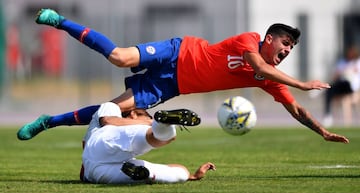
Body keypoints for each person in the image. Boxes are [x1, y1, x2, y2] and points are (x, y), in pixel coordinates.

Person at [17, 8, 349, 144]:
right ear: (269, 38)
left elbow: (297, 110)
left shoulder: (268, 78)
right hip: (177, 51)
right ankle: (60, 21)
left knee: (111, 112)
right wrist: (303, 83)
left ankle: (48, 122)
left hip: (172, 84)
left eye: (291, 47)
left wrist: (322, 131)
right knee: (119, 56)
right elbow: (261, 67)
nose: (287, 50)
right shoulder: (249, 40)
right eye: (285, 43)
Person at [80, 101, 215, 184]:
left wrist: (191, 176)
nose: (149, 121)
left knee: (177, 173)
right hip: (101, 144)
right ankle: (162, 123)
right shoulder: (109, 107)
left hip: (96, 173)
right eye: (148, 115)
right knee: (151, 135)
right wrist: (150, 122)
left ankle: (147, 174)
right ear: (133, 113)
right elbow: (108, 121)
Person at [323, 46, 360, 126]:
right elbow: (336, 76)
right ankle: (328, 115)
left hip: (352, 88)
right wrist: (341, 72)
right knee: (329, 90)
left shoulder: (357, 62)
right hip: (341, 86)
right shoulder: (342, 62)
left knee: (346, 82)